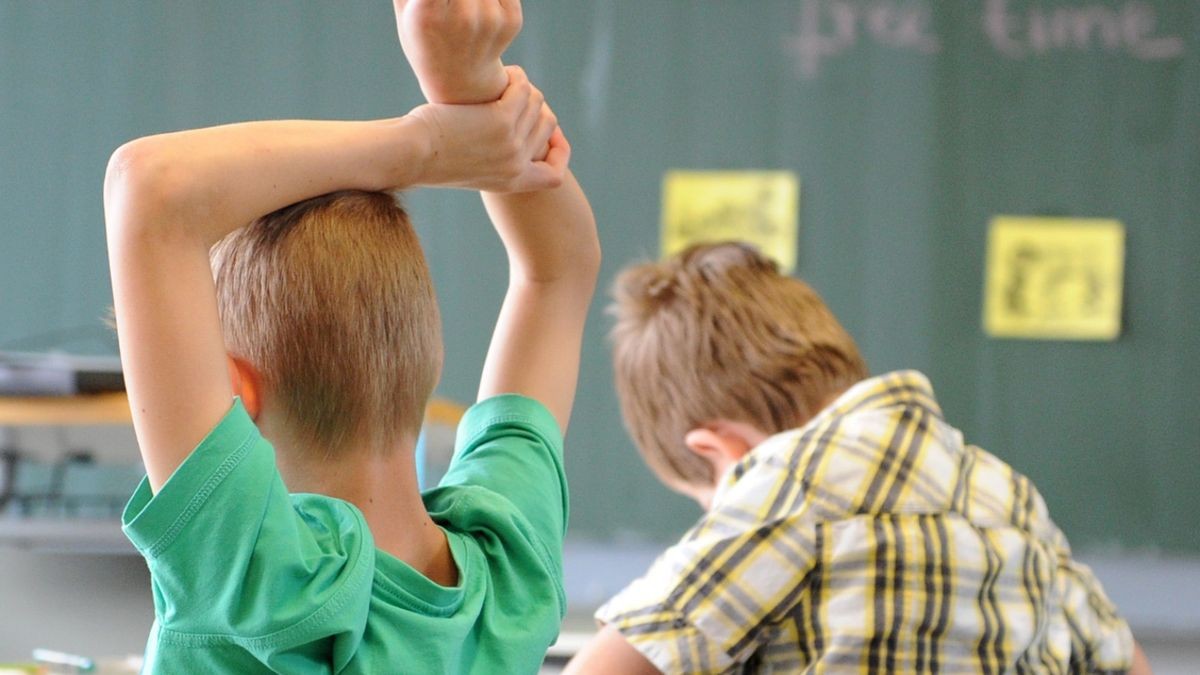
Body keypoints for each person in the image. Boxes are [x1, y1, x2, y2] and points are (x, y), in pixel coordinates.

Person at [104, 0, 599, 670]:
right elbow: (558, 271)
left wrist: (429, 141)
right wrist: (465, 82)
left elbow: (152, 187)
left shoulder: (256, 581)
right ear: (425, 354)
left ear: (233, 391)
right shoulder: (510, 575)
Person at [566, 242, 1150, 674]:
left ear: (721, 450)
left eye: (707, 502)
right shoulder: (1014, 499)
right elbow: (1130, 663)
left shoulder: (788, 482)